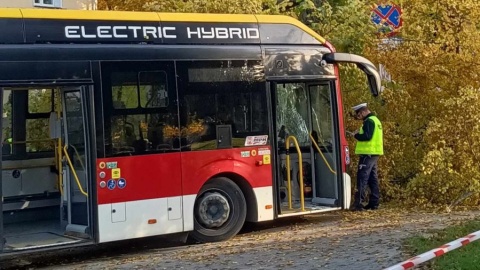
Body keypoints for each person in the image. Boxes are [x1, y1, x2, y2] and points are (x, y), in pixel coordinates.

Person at [350, 103, 383, 211]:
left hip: (367, 154)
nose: (358, 117)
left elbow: (367, 136)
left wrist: (356, 135)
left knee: (362, 178)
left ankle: (358, 204)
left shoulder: (369, 121)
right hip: (374, 153)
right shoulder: (376, 120)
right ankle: (374, 203)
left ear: (364, 111)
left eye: (359, 115)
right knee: (372, 179)